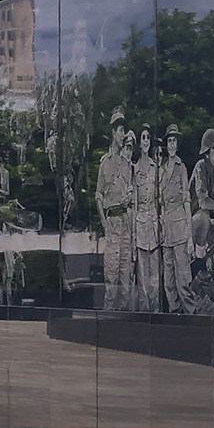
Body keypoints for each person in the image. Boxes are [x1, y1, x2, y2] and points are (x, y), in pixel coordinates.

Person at [96, 108, 133, 310]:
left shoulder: (127, 165)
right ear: (112, 132)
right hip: (112, 224)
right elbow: (98, 195)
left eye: (123, 130)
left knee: (125, 279)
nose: (122, 134)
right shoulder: (105, 164)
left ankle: (125, 326)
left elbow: (131, 190)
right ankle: (108, 323)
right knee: (111, 278)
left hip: (126, 223)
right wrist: (104, 224)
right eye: (120, 130)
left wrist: (130, 197)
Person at [157, 124, 192, 313]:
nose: (171, 144)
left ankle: (191, 313)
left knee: (183, 276)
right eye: (169, 141)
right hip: (166, 229)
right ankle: (174, 311)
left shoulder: (182, 168)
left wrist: (190, 237)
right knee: (168, 279)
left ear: (177, 145)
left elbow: (187, 200)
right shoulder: (161, 170)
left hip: (180, 227)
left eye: (174, 141)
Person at [132, 125, 162, 312]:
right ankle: (144, 312)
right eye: (143, 138)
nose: (145, 141)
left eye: (147, 138)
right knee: (142, 276)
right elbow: (134, 202)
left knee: (155, 276)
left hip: (153, 225)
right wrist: (135, 233)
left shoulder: (155, 168)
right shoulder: (134, 169)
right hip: (141, 224)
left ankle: (156, 311)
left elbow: (159, 199)